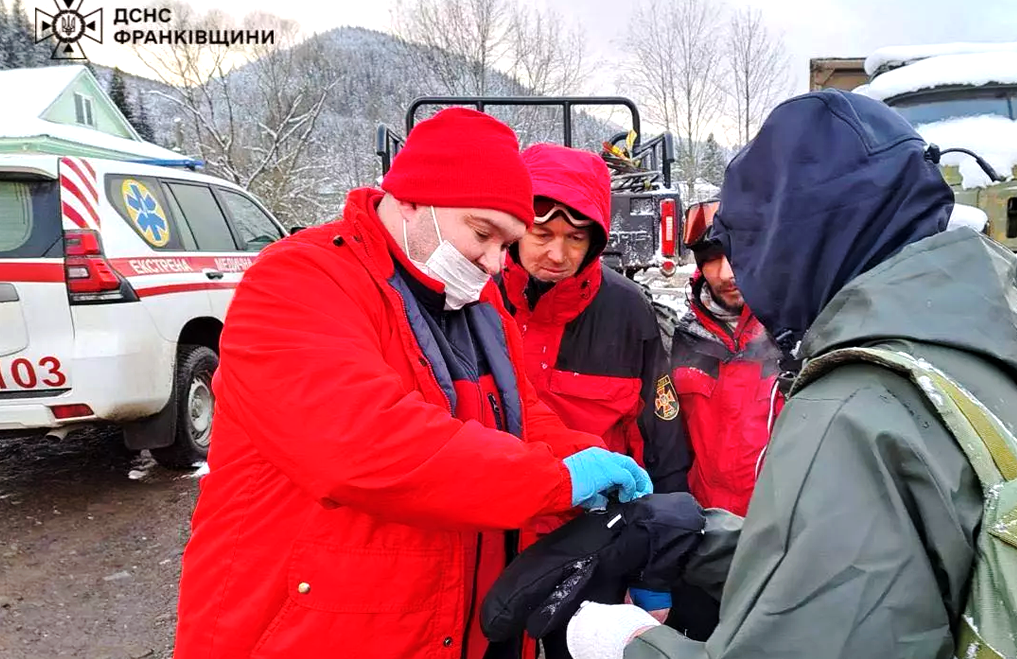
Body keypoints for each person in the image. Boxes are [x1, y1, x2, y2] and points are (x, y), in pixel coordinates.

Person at [563, 89, 1017, 659]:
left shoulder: (851, 407)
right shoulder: (976, 351)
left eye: (746, 245)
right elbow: (899, 568)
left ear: (791, 237)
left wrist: (627, 644)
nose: (740, 272)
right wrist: (697, 538)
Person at [172, 107, 653, 659]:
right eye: (483, 233)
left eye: (507, 244)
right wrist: (555, 480)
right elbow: (360, 442)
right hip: (316, 629)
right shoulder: (298, 281)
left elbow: (520, 415)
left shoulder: (477, 301)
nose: (496, 263)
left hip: (453, 620)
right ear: (412, 199)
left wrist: (584, 457)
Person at [497, 143, 692, 497]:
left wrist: (668, 512)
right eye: (542, 235)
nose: (557, 255)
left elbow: (661, 438)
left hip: (592, 520)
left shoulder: (629, 312)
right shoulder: (479, 298)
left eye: (575, 238)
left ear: (594, 241)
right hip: (494, 515)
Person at [672, 197, 783, 518]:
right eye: (711, 260)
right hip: (706, 522)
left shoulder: (795, 334)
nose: (725, 273)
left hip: (777, 524)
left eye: (736, 255)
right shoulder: (685, 339)